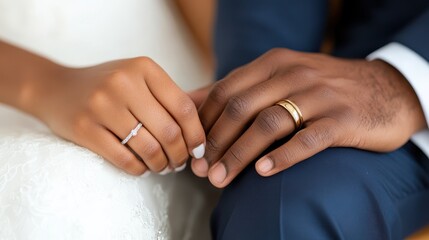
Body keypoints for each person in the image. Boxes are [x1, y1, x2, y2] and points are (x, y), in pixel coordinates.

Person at [186, 0, 429, 239]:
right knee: (275, 189)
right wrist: (258, 89)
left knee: (291, 203)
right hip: (350, 73)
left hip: (403, 103)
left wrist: (396, 85)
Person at [0, 0, 218, 239]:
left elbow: (222, 33)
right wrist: (46, 85)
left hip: (177, 96)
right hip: (18, 95)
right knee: (57, 189)